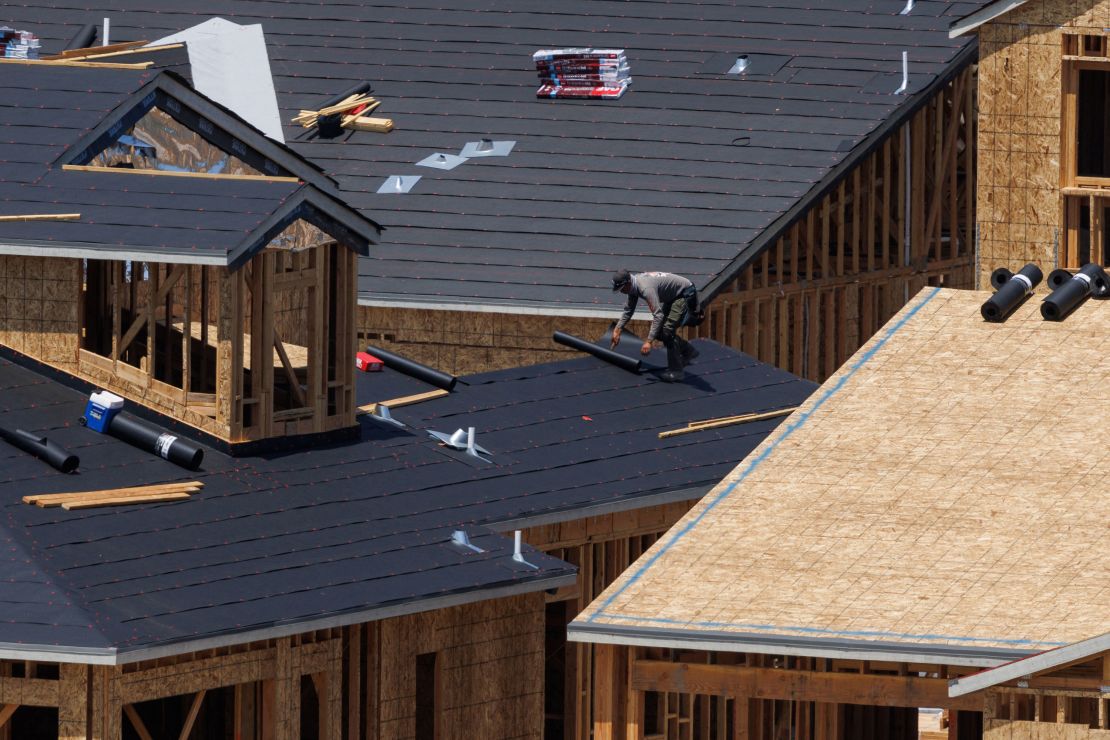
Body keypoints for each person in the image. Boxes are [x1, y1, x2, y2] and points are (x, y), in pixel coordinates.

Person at [610, 269, 700, 382]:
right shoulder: (633, 286)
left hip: (684, 294)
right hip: (673, 296)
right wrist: (618, 329)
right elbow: (629, 310)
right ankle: (688, 351)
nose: (621, 292)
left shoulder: (645, 288)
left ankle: (676, 372)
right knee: (658, 332)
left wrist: (649, 341)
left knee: (667, 332)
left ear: (628, 283)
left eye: (621, 289)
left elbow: (658, 316)